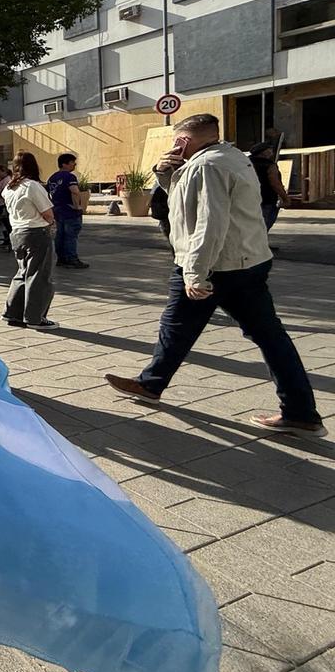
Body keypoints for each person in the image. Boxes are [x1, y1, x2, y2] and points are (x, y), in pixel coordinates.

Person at [105, 113, 325, 436]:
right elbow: (189, 202)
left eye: (177, 141)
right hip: (246, 261)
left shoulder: (206, 166)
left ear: (184, 140)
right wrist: (165, 174)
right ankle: (301, 411)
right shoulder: (230, 157)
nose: (173, 146)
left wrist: (194, 273)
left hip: (216, 265)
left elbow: (210, 222)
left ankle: (151, 385)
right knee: (269, 336)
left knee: (176, 327)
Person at [0, 152, 57, 330]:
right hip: (36, 232)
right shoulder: (32, 186)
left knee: (22, 273)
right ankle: (34, 317)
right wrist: (52, 223)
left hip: (17, 232)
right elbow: (47, 212)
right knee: (39, 275)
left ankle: (12, 313)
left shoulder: (9, 188)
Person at [47, 153, 88, 269]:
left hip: (57, 211)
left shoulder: (52, 178)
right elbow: (74, 191)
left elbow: (49, 194)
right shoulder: (70, 177)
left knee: (60, 235)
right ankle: (72, 258)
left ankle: (61, 258)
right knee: (71, 236)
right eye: (72, 162)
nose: (74, 165)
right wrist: (77, 206)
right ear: (64, 164)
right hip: (69, 211)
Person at [249, 142, 290, 230]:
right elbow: (275, 183)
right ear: (264, 152)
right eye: (270, 150)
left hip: (249, 199)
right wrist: (285, 198)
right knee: (262, 228)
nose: (272, 153)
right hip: (266, 200)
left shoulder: (245, 163)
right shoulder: (269, 165)